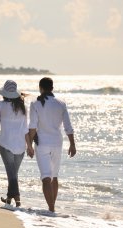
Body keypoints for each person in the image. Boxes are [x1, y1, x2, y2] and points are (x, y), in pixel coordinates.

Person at [28, 77, 76, 213]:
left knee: (45, 177)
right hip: (57, 143)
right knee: (54, 176)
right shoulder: (61, 103)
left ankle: (51, 209)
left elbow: (32, 127)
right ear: (52, 88)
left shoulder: (35, 104)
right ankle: (52, 209)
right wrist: (72, 144)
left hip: (42, 143)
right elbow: (68, 126)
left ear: (40, 88)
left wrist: (29, 145)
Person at [0, 80, 34, 207]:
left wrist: (1, 121)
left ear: (4, 93)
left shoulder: (0, 105)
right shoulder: (22, 107)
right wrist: (29, 147)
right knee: (13, 173)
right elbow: (25, 129)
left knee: (11, 174)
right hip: (21, 146)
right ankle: (9, 199)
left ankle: (18, 200)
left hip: (5, 144)